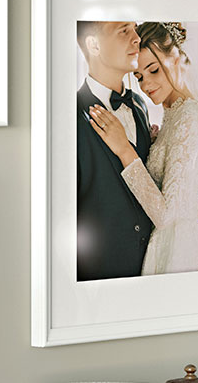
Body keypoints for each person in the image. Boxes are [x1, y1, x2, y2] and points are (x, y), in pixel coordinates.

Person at [89, 22, 198, 275]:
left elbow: (164, 216)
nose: (146, 85)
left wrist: (124, 150)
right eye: (139, 76)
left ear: (176, 59)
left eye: (153, 70)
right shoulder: (171, 114)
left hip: (176, 251)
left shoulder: (190, 117)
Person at [76, 21, 153, 281]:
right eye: (124, 30)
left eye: (135, 29)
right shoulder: (68, 114)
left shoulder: (140, 104)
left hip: (153, 267)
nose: (136, 38)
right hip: (99, 274)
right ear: (94, 45)